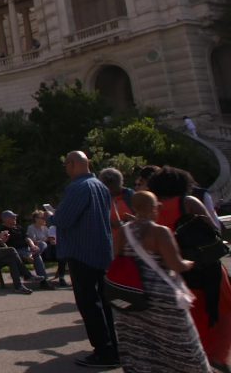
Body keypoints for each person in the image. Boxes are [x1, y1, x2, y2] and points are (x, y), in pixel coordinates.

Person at [112, 190, 209, 371]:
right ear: (153, 207)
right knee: (181, 344)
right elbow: (175, 265)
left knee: (141, 345)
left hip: (131, 296)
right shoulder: (160, 232)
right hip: (161, 297)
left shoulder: (124, 231)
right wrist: (191, 262)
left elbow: (116, 257)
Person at [149, 166, 231, 372]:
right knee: (219, 313)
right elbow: (214, 228)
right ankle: (215, 357)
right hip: (204, 268)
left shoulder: (153, 208)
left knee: (188, 320)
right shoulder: (188, 203)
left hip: (173, 273)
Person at [52, 150, 118, 368]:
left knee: (89, 303)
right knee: (104, 302)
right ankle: (113, 347)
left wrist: (51, 216)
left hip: (82, 252)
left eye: (66, 165)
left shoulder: (78, 187)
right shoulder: (100, 186)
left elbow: (64, 218)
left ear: (72, 164)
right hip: (101, 250)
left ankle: (103, 351)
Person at [0, 210, 54, 289]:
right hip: (14, 251)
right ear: (5, 219)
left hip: (26, 249)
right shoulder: (1, 229)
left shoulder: (19, 227)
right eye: (13, 217)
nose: (15, 218)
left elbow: (27, 238)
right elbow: (1, 243)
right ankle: (29, 260)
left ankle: (43, 282)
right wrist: (4, 239)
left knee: (37, 253)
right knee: (32, 255)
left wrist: (32, 246)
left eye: (15, 217)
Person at [28, 210, 67, 286]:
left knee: (61, 252)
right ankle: (32, 255)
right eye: (42, 218)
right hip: (39, 250)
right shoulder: (31, 228)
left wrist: (51, 240)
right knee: (42, 244)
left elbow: (50, 239)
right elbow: (33, 241)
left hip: (48, 250)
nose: (45, 219)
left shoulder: (45, 228)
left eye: (45, 218)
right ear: (36, 219)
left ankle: (61, 277)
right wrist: (47, 240)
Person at [100, 167, 135, 243]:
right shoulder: (100, 198)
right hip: (108, 243)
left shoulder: (130, 195)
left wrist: (126, 223)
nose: (110, 190)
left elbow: (141, 218)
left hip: (130, 242)